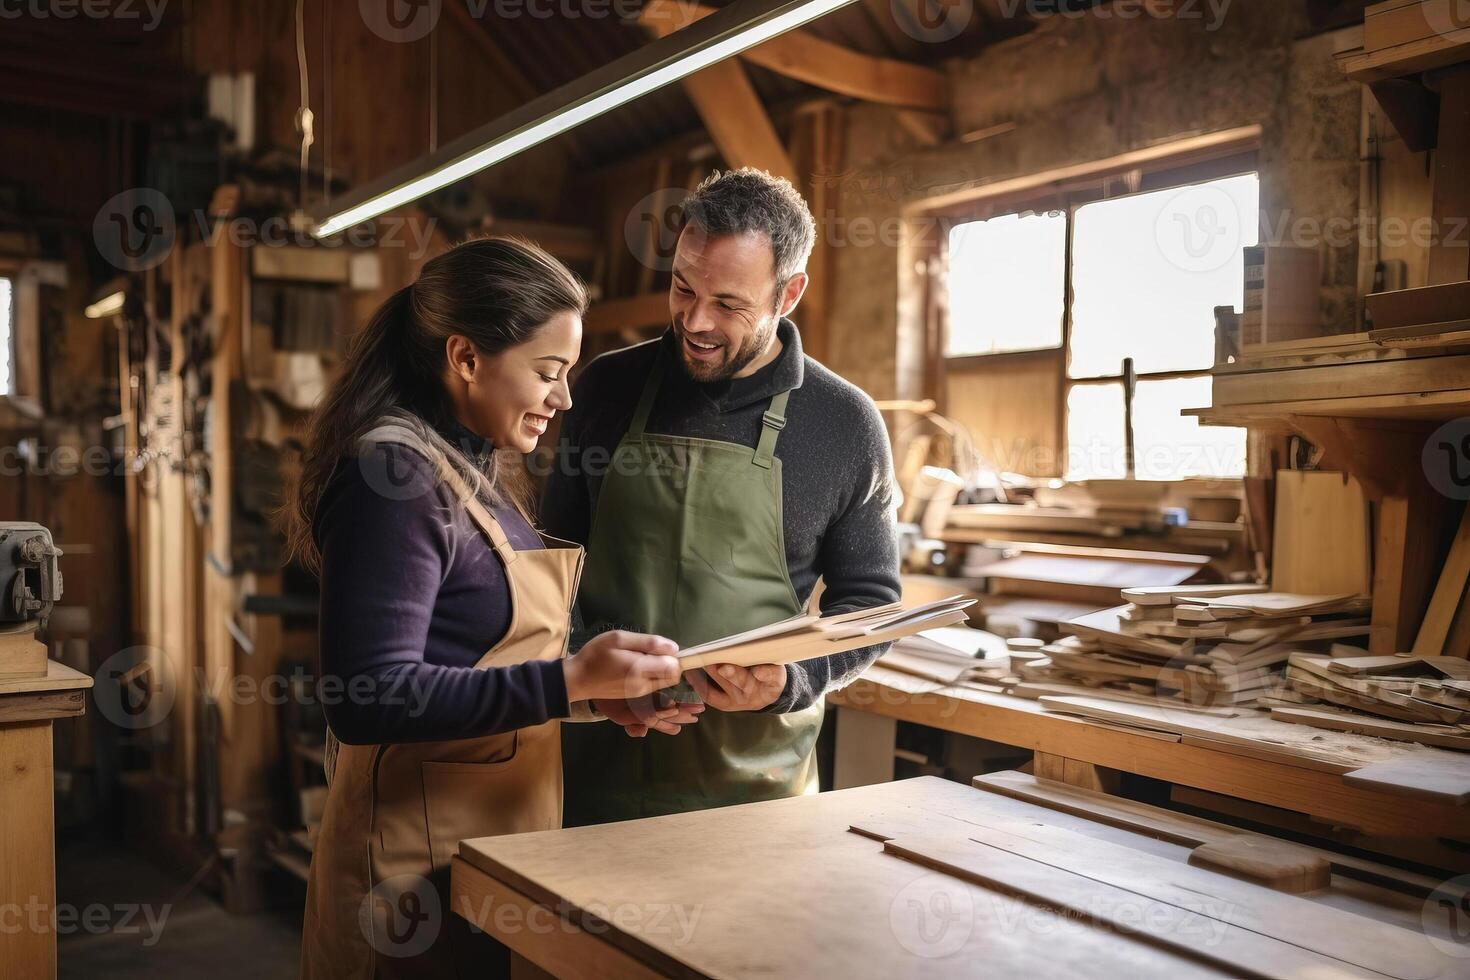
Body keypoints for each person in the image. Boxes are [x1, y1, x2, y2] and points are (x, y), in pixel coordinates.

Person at [288, 237, 699, 979]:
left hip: (486, 859)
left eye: (568, 374)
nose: (564, 398)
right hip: (410, 879)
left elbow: (476, 660)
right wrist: (566, 682)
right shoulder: (395, 480)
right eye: (548, 372)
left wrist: (593, 698)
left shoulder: (471, 466)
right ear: (466, 358)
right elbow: (368, 695)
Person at [543, 168, 901, 826]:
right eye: (683, 288)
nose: (696, 321)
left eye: (729, 305)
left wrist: (793, 682)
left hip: (756, 791)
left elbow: (872, 603)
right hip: (595, 765)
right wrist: (587, 665)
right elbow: (548, 566)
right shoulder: (604, 389)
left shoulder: (844, 423)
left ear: (788, 293)